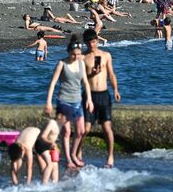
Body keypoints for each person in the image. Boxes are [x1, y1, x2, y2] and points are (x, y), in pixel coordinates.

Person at [44, 35, 94, 169]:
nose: (76, 57)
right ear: (68, 53)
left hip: (77, 100)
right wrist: (48, 102)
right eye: (73, 55)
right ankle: (69, 158)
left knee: (81, 131)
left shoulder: (81, 63)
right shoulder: (62, 63)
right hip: (64, 100)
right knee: (66, 132)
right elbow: (53, 83)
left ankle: (73, 153)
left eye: (78, 54)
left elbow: (85, 82)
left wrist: (89, 99)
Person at [82, 29, 121, 168]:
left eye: (94, 42)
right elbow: (81, 79)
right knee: (85, 128)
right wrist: (91, 74)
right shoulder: (82, 57)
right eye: (89, 42)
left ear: (97, 41)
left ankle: (110, 157)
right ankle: (78, 154)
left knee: (106, 127)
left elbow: (111, 74)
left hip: (104, 94)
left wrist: (115, 89)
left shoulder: (106, 55)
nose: (92, 45)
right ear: (85, 43)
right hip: (89, 95)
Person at [8, 119, 61, 185]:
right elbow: (13, 166)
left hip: (38, 136)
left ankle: (44, 176)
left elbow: (29, 168)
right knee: (16, 162)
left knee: (40, 157)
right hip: (29, 131)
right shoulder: (15, 146)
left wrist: (28, 183)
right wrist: (15, 182)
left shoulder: (27, 148)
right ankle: (15, 182)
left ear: (22, 149)